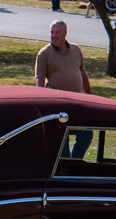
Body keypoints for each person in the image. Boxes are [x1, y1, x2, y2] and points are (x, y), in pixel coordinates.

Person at [36, 20, 92, 156]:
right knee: (62, 142)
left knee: (86, 134)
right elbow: (40, 80)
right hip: (58, 107)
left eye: (57, 32)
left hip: (76, 103)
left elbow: (82, 73)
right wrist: (43, 104)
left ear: (65, 33)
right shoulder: (44, 54)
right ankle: (66, 167)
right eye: (52, 32)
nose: (54, 36)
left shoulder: (76, 49)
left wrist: (89, 97)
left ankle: (75, 162)